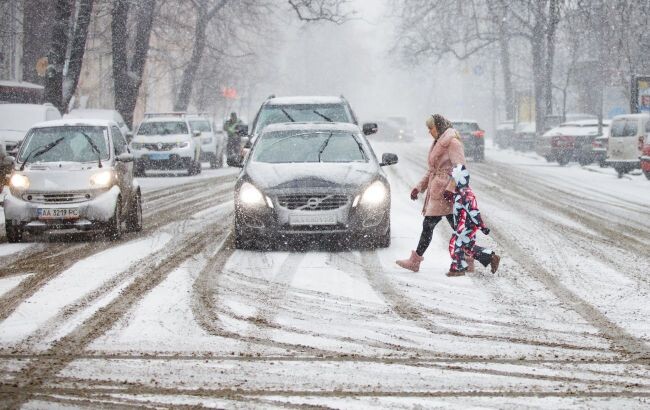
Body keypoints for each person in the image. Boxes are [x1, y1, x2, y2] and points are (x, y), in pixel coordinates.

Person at [396, 114, 469, 273]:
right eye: (428, 129)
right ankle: (480, 257)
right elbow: (432, 170)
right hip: (438, 191)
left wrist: (451, 188)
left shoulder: (452, 142)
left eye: (431, 128)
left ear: (439, 126)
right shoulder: (438, 142)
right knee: (455, 228)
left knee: (429, 226)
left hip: (445, 193)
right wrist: (419, 187)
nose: (429, 132)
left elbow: (461, 168)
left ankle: (415, 261)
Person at [446, 164, 500, 276]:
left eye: (453, 178)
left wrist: (482, 226)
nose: (450, 181)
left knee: (455, 243)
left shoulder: (466, 194)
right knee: (467, 247)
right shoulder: (459, 192)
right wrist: (451, 197)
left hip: (467, 225)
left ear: (459, 179)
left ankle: (458, 268)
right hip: (463, 225)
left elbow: (473, 212)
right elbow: (459, 205)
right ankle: (490, 257)